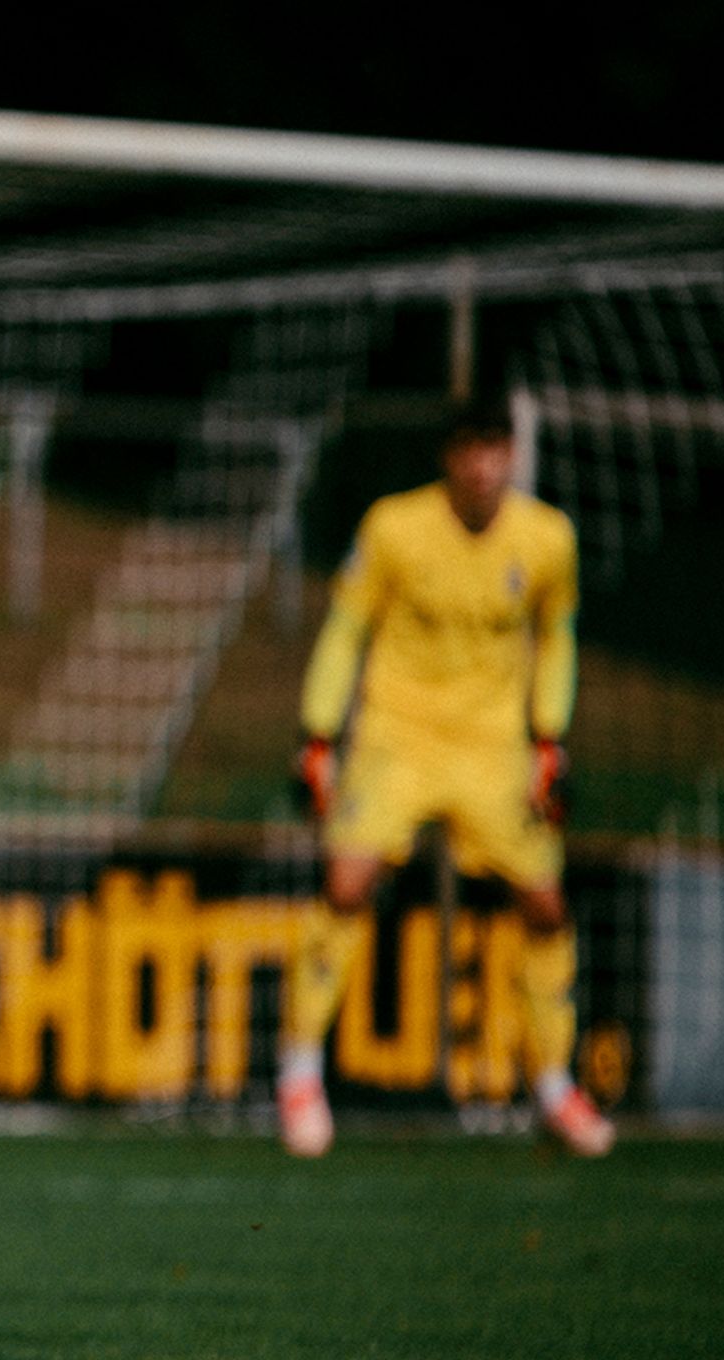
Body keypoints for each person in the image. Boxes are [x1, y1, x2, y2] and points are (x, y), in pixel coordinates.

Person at [279, 396, 610, 1159]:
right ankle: (299, 1074)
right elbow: (346, 628)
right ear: (448, 458)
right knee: (347, 886)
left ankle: (555, 1086)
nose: (483, 464)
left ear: (512, 456)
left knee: (545, 905)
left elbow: (555, 640)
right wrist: (319, 734)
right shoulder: (394, 528)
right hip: (398, 738)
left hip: (494, 749)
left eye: (496, 448)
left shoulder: (549, 538)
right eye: (470, 448)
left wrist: (548, 740)